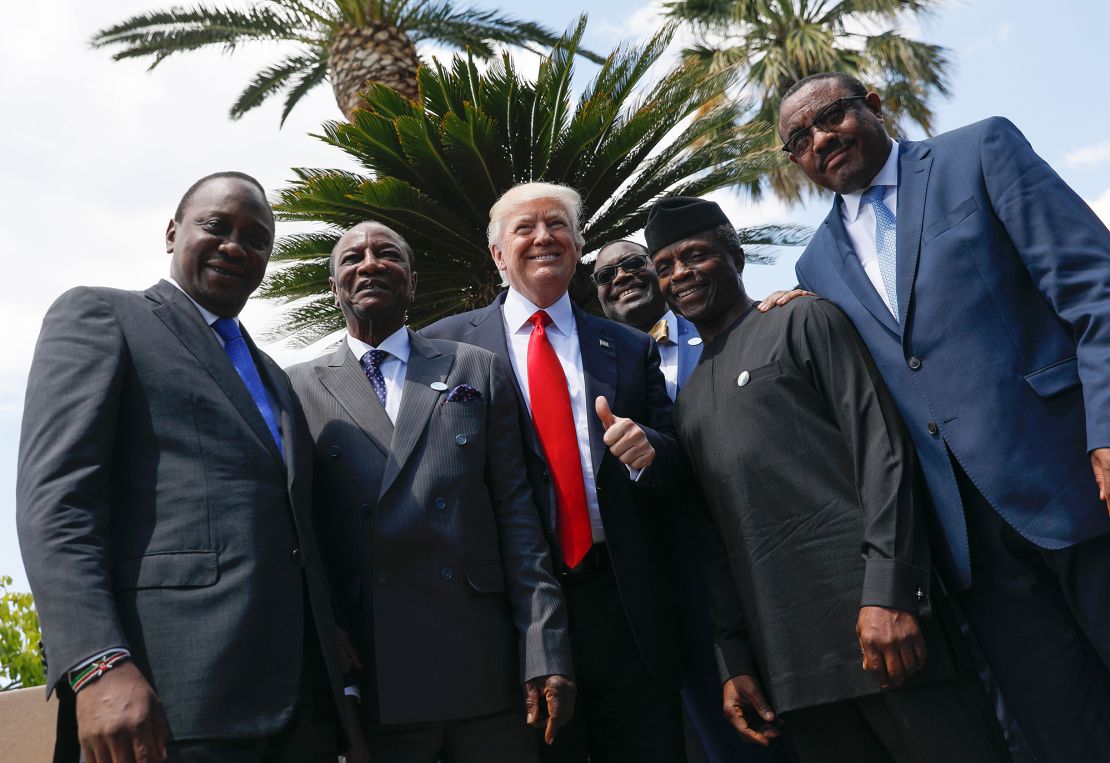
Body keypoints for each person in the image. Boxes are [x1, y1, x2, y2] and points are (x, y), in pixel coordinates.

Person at [780, 72, 1110, 762]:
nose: (820, 139)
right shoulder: (815, 266)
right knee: (1068, 735)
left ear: (873, 104)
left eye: (831, 116)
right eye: (800, 140)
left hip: (1077, 478)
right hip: (970, 547)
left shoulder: (978, 151)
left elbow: (1095, 293)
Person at [646, 195, 1010, 763]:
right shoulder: (688, 401)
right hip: (793, 666)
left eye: (694, 255)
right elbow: (712, 544)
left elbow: (882, 454)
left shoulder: (803, 320)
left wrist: (891, 593)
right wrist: (735, 660)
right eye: (664, 267)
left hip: (887, 635)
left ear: (735, 255)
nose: (679, 275)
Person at [16, 172, 346, 762]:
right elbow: (57, 502)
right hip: (167, 702)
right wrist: (96, 662)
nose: (235, 246)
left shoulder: (276, 376)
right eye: (216, 227)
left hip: (302, 709)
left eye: (256, 238)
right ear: (172, 232)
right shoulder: (103, 316)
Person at [287, 221, 576, 761]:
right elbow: (299, 529)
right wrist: (325, 632)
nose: (369, 264)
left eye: (387, 254)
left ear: (412, 283)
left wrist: (545, 647)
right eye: (352, 258)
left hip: (483, 661)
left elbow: (518, 517)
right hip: (374, 669)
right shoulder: (297, 387)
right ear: (334, 288)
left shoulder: (474, 368)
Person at [423, 182, 688, 761]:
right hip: (508, 618)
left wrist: (649, 452)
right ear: (497, 254)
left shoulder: (626, 346)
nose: (543, 237)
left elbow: (676, 460)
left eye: (557, 226)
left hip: (623, 608)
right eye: (525, 228)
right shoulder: (441, 349)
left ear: (576, 245)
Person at [592, 240, 791, 763]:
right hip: (688, 584)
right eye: (604, 275)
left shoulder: (734, 330)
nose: (620, 278)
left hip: (773, 550)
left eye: (634, 265)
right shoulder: (605, 374)